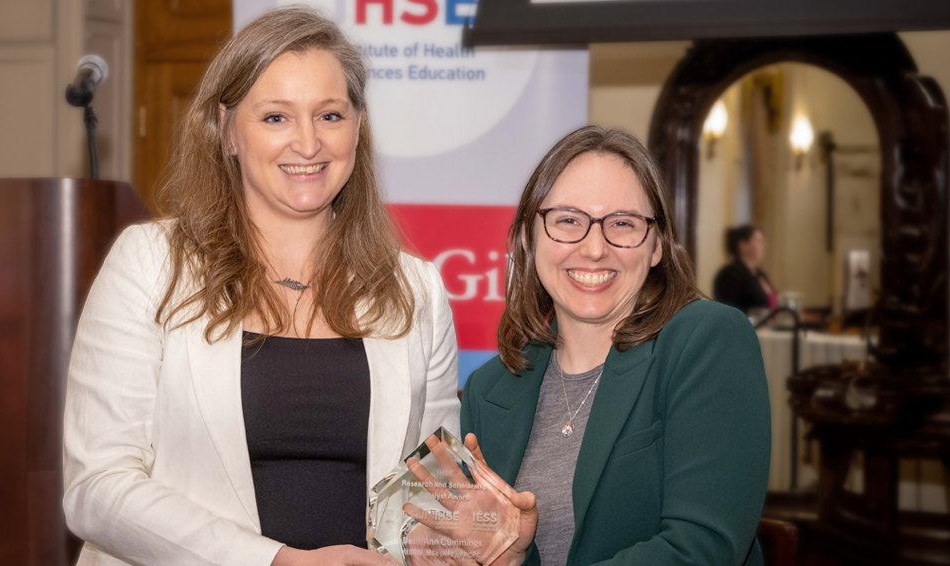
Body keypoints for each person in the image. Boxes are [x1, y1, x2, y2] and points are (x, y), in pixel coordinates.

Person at [62, 7, 459, 566]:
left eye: (330, 116)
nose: (308, 143)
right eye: (275, 117)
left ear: (359, 128)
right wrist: (275, 561)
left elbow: (430, 496)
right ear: (226, 130)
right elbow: (96, 488)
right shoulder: (150, 264)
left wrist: (488, 534)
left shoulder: (415, 290)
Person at [454, 126, 771, 565]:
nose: (595, 248)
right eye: (568, 221)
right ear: (529, 237)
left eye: (622, 224)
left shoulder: (707, 341)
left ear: (657, 245)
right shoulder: (489, 390)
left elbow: (703, 550)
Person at [713, 225, 777, 315]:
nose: (764, 246)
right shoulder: (729, 275)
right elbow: (730, 311)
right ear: (743, 245)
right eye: (759, 241)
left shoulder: (760, 274)